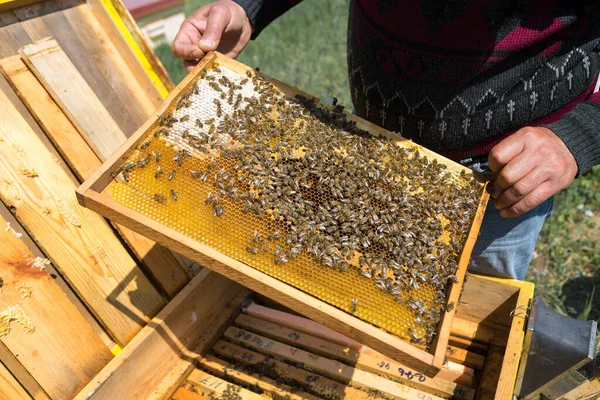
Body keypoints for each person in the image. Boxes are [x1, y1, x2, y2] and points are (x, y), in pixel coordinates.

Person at [172, 0, 600, 280]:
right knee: (351, 277)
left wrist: (583, 131)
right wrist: (250, 7)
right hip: (368, 144)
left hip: (501, 176)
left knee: (471, 312)